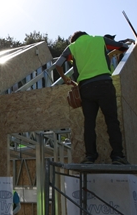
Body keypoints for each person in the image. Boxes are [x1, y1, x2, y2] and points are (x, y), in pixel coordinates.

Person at [55, 31, 130, 165]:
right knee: (112, 120)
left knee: (89, 124)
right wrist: (113, 53)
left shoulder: (72, 46)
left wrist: (65, 79)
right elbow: (123, 47)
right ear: (86, 34)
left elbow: (58, 64)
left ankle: (90, 156)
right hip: (104, 84)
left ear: (74, 40)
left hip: (86, 88)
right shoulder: (99, 39)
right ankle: (118, 156)